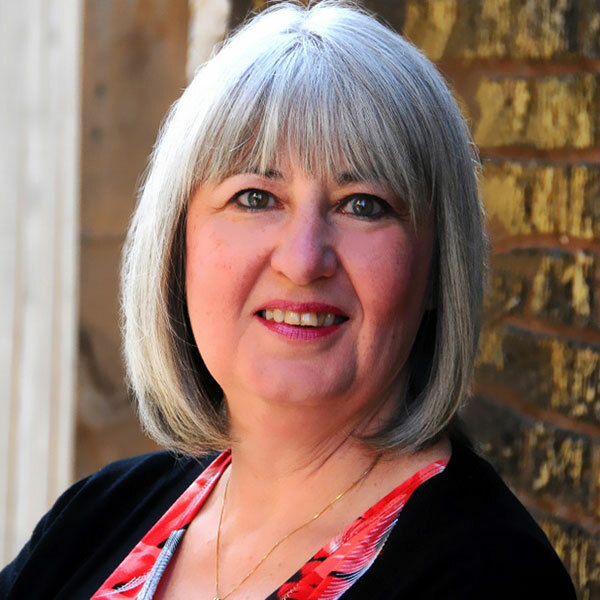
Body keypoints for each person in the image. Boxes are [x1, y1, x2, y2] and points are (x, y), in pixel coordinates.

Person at [1, 1, 576, 598]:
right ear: (178, 245)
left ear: (436, 268)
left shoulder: (491, 577)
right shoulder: (94, 518)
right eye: (255, 197)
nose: (303, 261)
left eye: (362, 204)